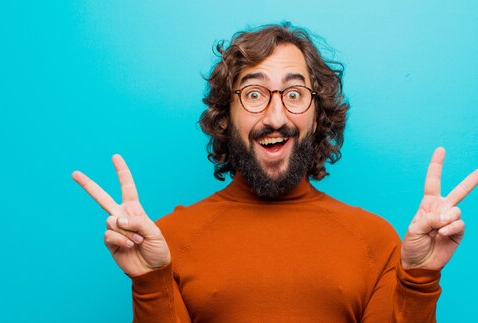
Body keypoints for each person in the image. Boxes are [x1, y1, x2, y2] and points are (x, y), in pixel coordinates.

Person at [72, 23, 478, 322]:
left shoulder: (375, 241)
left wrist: (420, 279)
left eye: (295, 94)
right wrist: (150, 282)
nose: (276, 115)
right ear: (225, 116)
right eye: (253, 94)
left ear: (318, 116)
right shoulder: (169, 242)